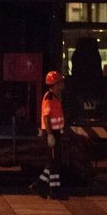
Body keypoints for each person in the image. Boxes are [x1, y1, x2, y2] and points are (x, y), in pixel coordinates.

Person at [36, 69, 67, 200]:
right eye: (60, 82)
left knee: (54, 161)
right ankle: (54, 191)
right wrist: (50, 134)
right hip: (51, 133)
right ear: (55, 84)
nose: (63, 84)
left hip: (55, 132)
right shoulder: (49, 98)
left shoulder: (55, 97)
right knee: (54, 162)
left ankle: (39, 185)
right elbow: (46, 117)